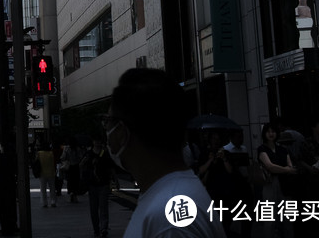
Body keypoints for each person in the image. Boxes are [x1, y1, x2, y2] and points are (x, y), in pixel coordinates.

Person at [106, 68, 225, 238]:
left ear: (122, 132)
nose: (106, 132)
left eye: (108, 121)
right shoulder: (167, 198)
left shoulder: (168, 221)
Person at [81, 136, 114, 238]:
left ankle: (103, 228)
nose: (97, 142)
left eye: (99, 140)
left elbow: (110, 168)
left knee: (103, 207)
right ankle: (96, 229)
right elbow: (81, 165)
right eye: (96, 140)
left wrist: (114, 180)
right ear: (93, 141)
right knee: (94, 209)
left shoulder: (105, 154)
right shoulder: (89, 154)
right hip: (92, 185)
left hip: (103, 183)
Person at [35, 142, 57, 207]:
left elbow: (36, 161)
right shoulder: (51, 153)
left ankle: (44, 203)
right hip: (51, 173)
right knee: (52, 188)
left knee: (43, 189)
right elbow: (54, 162)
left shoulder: (39, 153)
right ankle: (53, 201)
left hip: (42, 173)